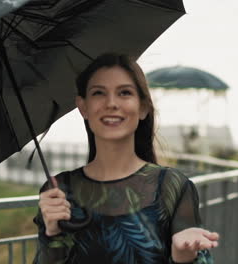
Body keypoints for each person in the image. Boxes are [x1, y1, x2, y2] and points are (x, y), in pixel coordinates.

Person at [33, 53, 219, 264]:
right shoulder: (58, 192)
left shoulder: (172, 186)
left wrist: (184, 257)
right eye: (98, 93)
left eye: (124, 93)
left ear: (143, 108)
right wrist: (52, 234)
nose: (111, 103)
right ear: (83, 107)